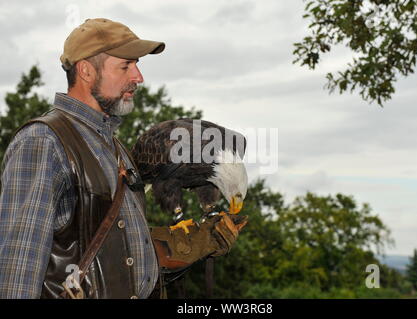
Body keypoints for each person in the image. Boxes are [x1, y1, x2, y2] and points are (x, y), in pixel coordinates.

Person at [0, 18, 246, 299]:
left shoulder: (114, 148)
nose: (138, 77)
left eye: (137, 65)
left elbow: (101, 250)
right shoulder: (44, 142)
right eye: (125, 66)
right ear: (86, 71)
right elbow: (19, 267)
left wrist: (171, 248)